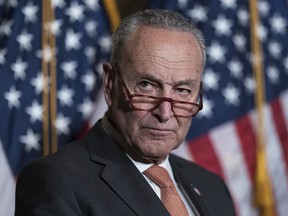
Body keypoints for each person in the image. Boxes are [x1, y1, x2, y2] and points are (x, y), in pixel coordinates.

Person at [15, 9, 236, 216]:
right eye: (147, 85)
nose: (165, 112)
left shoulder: (212, 187)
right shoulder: (55, 181)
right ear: (110, 84)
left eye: (182, 90)